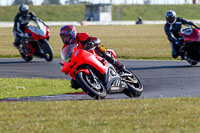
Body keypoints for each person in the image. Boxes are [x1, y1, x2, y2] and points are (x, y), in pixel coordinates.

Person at [59, 25, 126, 89]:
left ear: (72, 34)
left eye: (66, 37)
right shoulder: (65, 48)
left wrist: (92, 43)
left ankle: (117, 64)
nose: (65, 39)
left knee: (99, 49)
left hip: (92, 53)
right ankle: (92, 85)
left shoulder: (81, 36)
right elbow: (67, 59)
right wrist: (66, 65)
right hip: (81, 62)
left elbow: (97, 40)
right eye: (63, 37)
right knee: (74, 83)